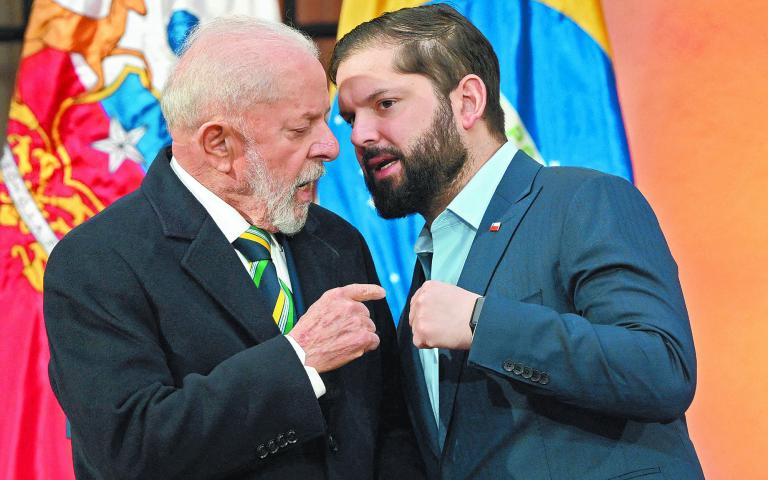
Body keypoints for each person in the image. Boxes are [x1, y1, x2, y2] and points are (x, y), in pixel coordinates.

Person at [331, 4, 704, 479]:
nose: (360, 135)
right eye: (350, 117)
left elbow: (661, 368)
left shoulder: (583, 200)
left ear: (467, 101)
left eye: (384, 104)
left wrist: (481, 323)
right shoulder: (430, 258)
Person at [44, 16, 422, 479]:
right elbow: (131, 449)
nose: (331, 146)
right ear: (219, 144)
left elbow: (390, 424)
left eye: (324, 120)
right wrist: (297, 361)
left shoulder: (337, 241)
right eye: (300, 129)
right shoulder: (98, 261)